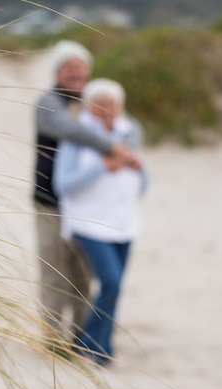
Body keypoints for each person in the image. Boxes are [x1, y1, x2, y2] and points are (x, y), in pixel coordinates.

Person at [33, 41, 140, 354]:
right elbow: (71, 130)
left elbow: (132, 128)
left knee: (82, 276)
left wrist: (125, 140)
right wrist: (112, 146)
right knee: (53, 272)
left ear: (88, 71)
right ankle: (52, 341)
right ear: (57, 71)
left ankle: (80, 338)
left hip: (84, 207)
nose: (75, 71)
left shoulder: (95, 102)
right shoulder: (48, 103)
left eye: (80, 66)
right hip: (49, 202)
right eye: (68, 66)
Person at [53, 78, 147, 366]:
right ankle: (88, 346)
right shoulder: (76, 137)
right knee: (110, 281)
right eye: (100, 105)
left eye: (113, 105)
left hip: (124, 222)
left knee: (115, 288)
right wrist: (102, 167)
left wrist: (139, 170)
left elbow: (141, 182)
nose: (107, 111)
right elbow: (63, 184)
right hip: (89, 221)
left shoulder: (129, 132)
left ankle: (104, 349)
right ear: (89, 106)